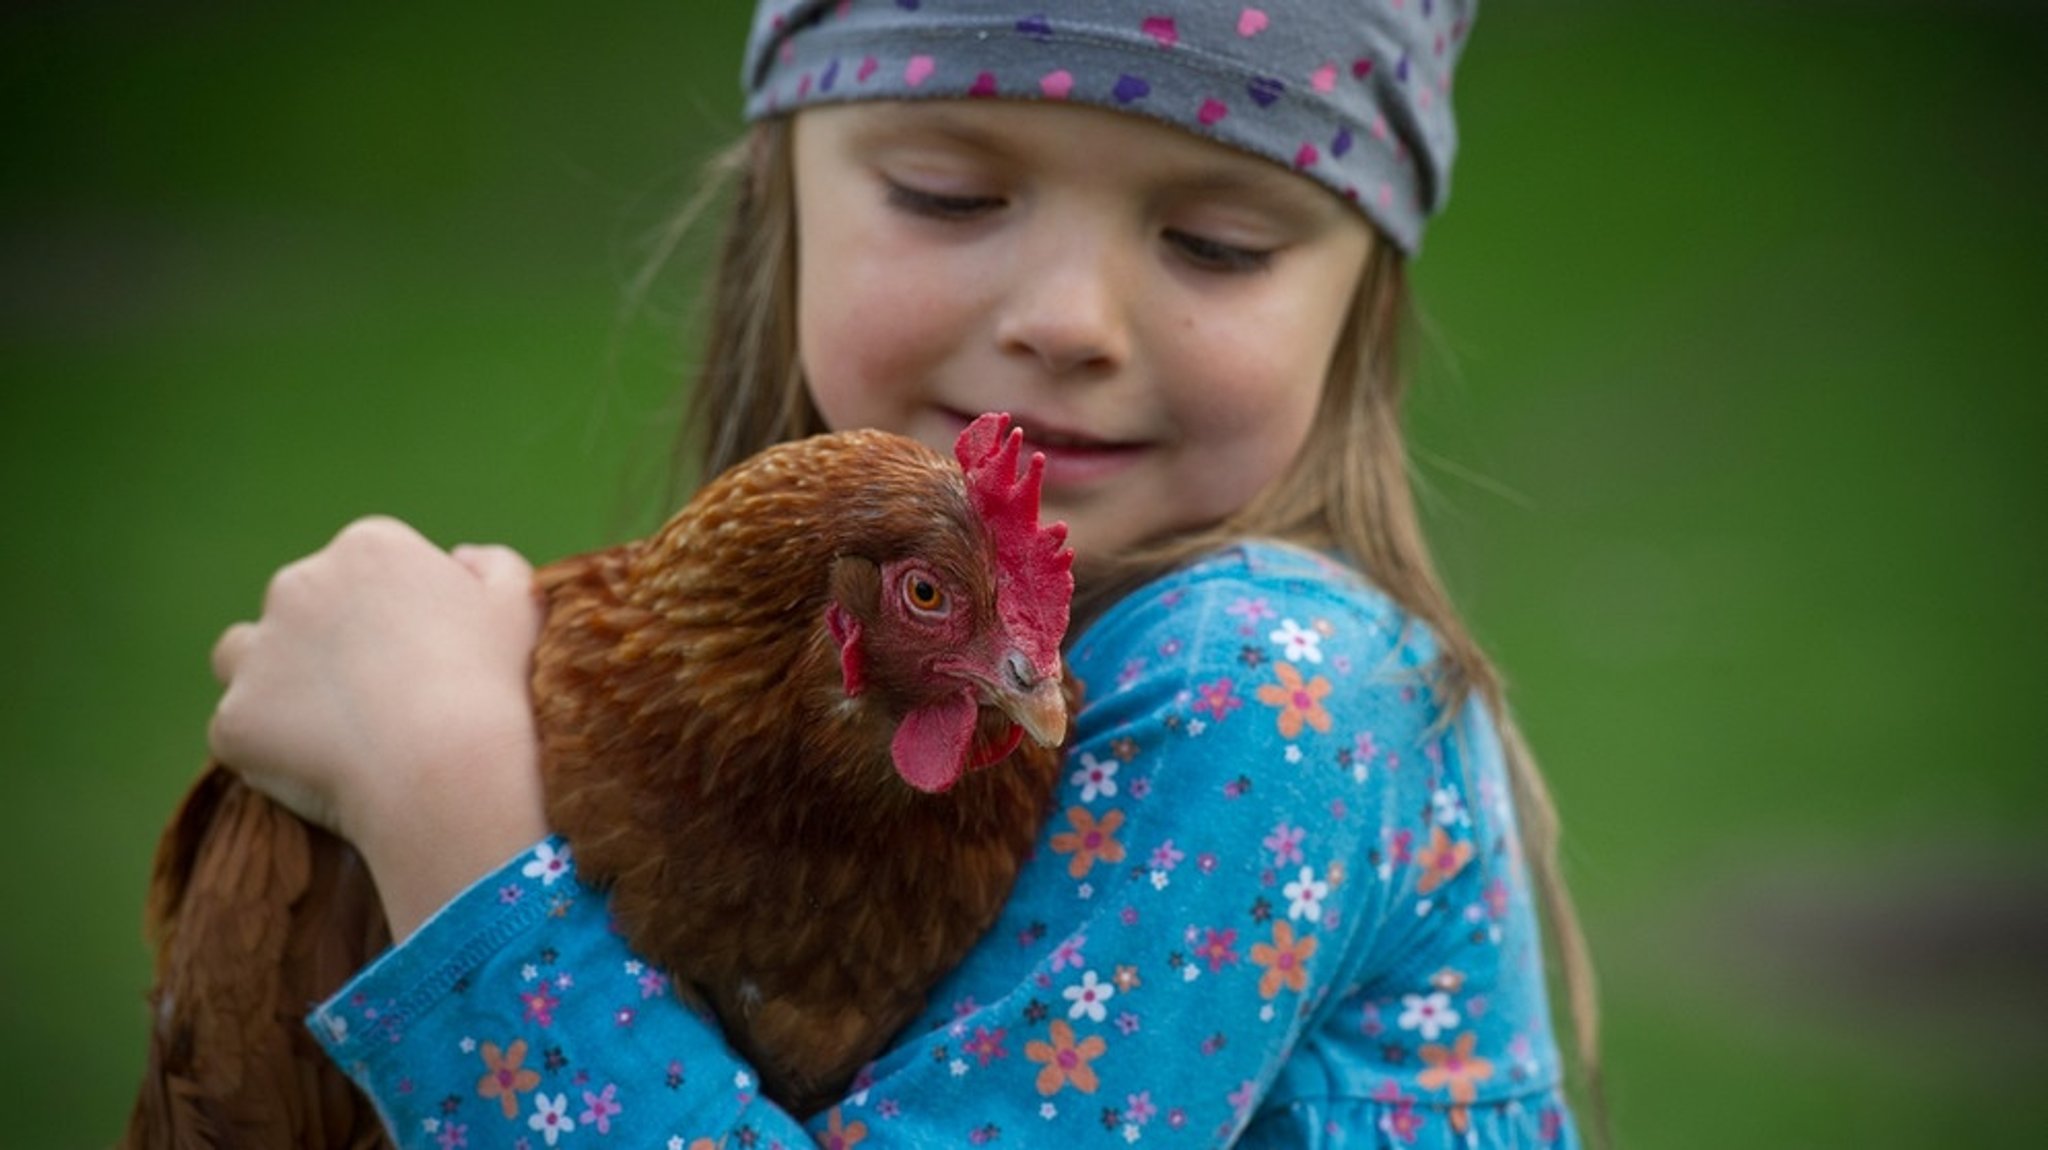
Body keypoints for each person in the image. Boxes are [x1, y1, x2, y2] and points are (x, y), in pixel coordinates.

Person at [206, 2, 1601, 1146]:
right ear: (780, 205)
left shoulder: (1266, 687)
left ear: (1366, 303)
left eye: (1213, 244)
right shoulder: (788, 716)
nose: (1067, 320)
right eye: (950, 195)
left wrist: (444, 797)